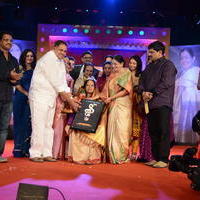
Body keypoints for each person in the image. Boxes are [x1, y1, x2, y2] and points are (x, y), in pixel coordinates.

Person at [29, 40, 79, 162]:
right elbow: (57, 83)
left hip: (51, 97)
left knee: (48, 126)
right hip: (39, 96)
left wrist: (71, 97)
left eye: (65, 51)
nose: (63, 53)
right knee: (38, 125)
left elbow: (63, 81)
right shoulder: (48, 59)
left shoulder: (61, 62)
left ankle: (46, 153)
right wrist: (71, 101)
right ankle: (35, 153)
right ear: (54, 48)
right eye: (61, 50)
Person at [138, 41, 177, 168]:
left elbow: (167, 82)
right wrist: (143, 91)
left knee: (163, 131)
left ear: (160, 52)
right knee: (153, 131)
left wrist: (152, 92)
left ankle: (164, 159)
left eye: (152, 52)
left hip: (162, 102)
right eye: (149, 52)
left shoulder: (168, 65)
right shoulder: (149, 66)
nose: (149, 54)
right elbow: (142, 80)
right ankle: (155, 158)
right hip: (149, 103)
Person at [68, 79, 107, 164]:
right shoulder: (79, 98)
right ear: (84, 87)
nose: (89, 87)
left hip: (93, 125)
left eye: (92, 85)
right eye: (87, 85)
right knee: (75, 130)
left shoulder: (99, 101)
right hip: (81, 124)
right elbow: (75, 113)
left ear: (95, 87)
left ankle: (92, 158)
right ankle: (80, 158)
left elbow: (101, 115)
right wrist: (69, 124)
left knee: (96, 131)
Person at [103, 55, 133, 164]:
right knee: (112, 129)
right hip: (112, 104)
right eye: (113, 64)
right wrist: (105, 98)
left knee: (121, 130)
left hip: (122, 104)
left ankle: (121, 156)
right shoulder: (111, 75)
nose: (114, 66)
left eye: (116, 64)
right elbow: (106, 90)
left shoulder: (126, 73)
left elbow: (125, 91)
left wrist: (112, 98)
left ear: (122, 64)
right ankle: (112, 155)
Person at [0, 31, 22, 163]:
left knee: (3, 128)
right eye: (6, 40)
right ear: (0, 41)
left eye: (10, 40)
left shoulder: (13, 59)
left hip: (8, 97)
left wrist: (15, 80)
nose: (8, 42)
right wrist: (9, 76)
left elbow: (16, 76)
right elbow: (7, 74)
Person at [13, 49, 36, 157]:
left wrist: (32, 96)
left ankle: (26, 149)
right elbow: (16, 84)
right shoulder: (18, 69)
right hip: (19, 98)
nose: (29, 58)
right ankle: (18, 149)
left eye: (31, 56)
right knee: (18, 123)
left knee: (28, 123)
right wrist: (27, 94)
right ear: (23, 57)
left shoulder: (36, 71)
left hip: (31, 100)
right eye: (27, 56)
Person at [173, 48, 200, 144]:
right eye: (182, 58)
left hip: (191, 106)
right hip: (179, 106)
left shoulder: (197, 71)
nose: (184, 60)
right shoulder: (180, 74)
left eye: (187, 58)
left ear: (193, 59)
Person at [128, 55, 143, 160]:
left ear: (138, 65)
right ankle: (124, 152)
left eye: (134, 63)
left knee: (136, 131)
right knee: (126, 130)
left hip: (136, 104)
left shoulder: (141, 76)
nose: (131, 65)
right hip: (125, 103)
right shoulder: (125, 74)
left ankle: (134, 153)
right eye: (130, 63)